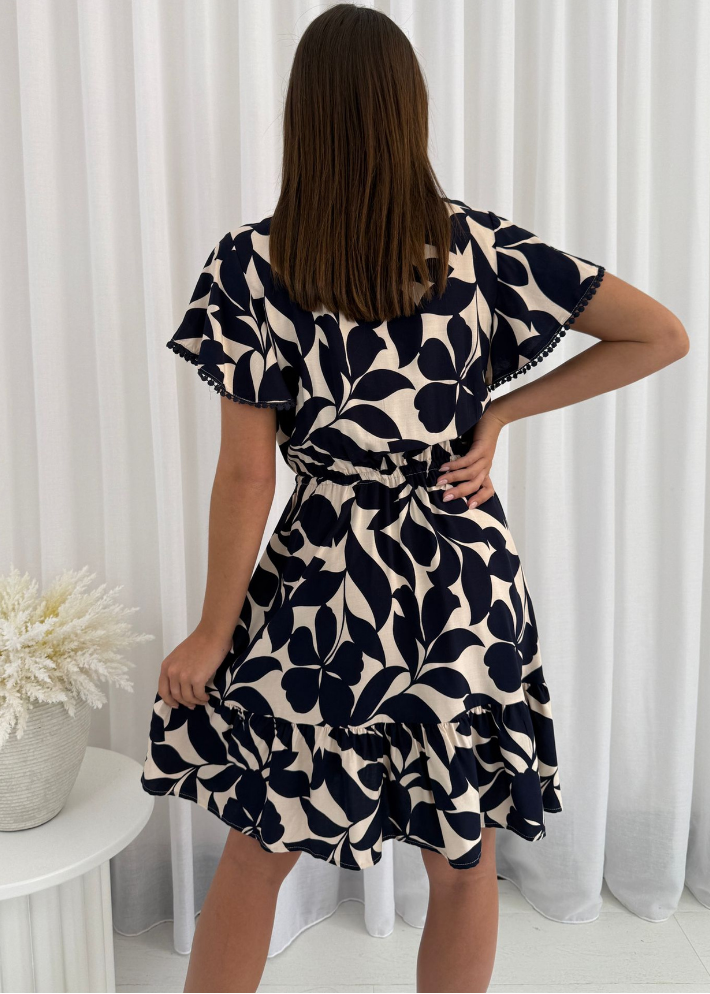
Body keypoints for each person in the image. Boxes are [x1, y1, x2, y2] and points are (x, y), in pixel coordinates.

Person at [140, 5, 689, 992]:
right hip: (459, 578)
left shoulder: (250, 266)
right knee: (461, 855)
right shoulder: (483, 251)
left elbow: (246, 472)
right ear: (408, 113)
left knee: (260, 841)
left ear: (300, 117)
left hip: (321, 583)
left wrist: (213, 633)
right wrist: (497, 416)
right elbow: (658, 333)